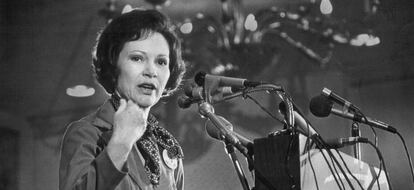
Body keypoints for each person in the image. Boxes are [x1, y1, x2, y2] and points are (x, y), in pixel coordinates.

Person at [59, 8, 186, 190]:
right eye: (137, 58)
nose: (151, 71)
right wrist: (121, 142)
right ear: (113, 65)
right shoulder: (86, 134)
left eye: (161, 62)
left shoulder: (168, 148)